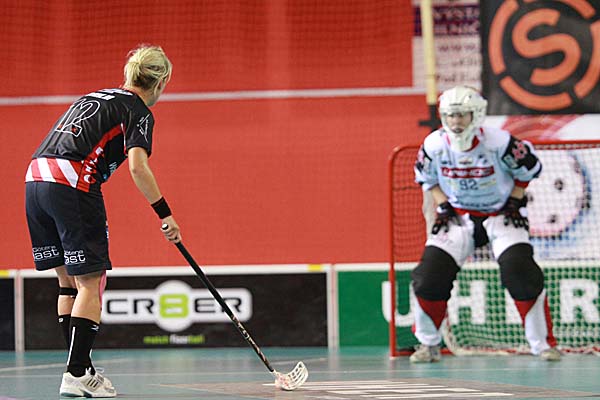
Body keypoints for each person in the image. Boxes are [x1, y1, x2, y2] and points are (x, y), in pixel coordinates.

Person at [25, 44, 181, 397]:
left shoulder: (94, 96)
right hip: (72, 183)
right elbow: (138, 167)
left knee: (68, 283)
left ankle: (81, 366)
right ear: (161, 82)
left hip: (35, 179)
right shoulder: (137, 110)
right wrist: (165, 214)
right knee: (90, 284)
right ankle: (77, 373)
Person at [410, 85, 561, 363]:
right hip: (458, 217)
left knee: (521, 273)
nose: (456, 122)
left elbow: (529, 169)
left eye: (462, 115)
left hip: (501, 214)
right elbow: (426, 179)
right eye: (450, 115)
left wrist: (514, 201)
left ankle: (542, 345)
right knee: (428, 276)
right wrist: (443, 205)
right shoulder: (433, 145)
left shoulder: (500, 142)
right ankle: (428, 344)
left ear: (475, 115)